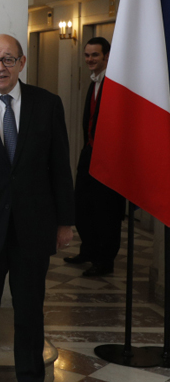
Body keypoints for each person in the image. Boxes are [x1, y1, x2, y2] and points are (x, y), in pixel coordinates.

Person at [0, 34, 74, 382]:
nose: (0, 68)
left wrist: (65, 222)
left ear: (22, 63)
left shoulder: (48, 104)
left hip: (33, 228)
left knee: (29, 310)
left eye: (8, 60)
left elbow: (60, 168)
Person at [65, 37, 125, 276]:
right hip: (89, 153)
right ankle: (88, 250)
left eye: (95, 55)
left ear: (107, 57)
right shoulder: (94, 82)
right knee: (82, 205)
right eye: (87, 55)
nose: (90, 59)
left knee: (106, 212)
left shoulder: (116, 84)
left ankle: (104, 260)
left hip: (110, 159)